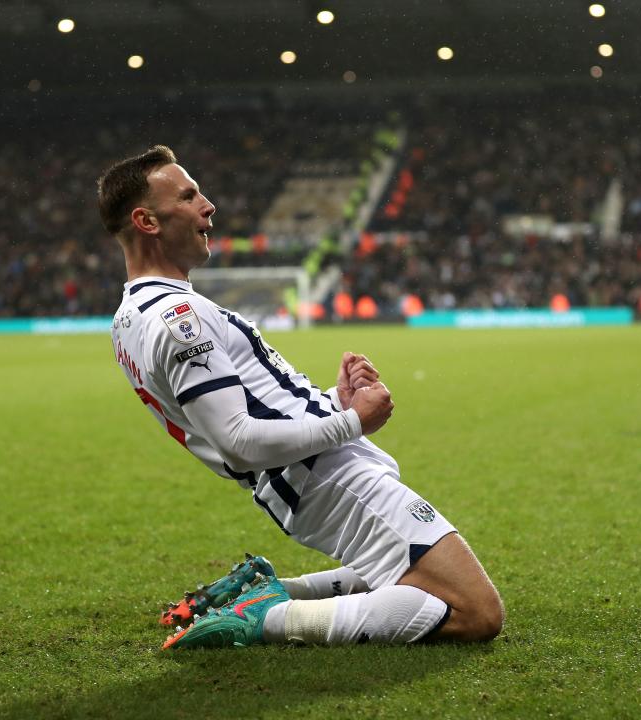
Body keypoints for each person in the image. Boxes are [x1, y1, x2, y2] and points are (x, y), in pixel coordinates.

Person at [97, 145, 504, 648]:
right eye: (188, 195)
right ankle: (265, 618)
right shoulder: (178, 319)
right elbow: (238, 440)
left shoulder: (132, 316)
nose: (208, 205)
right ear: (147, 220)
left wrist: (334, 398)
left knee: (412, 578)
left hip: (305, 476)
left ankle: (266, 592)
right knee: (475, 612)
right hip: (325, 476)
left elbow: (252, 404)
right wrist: (353, 421)